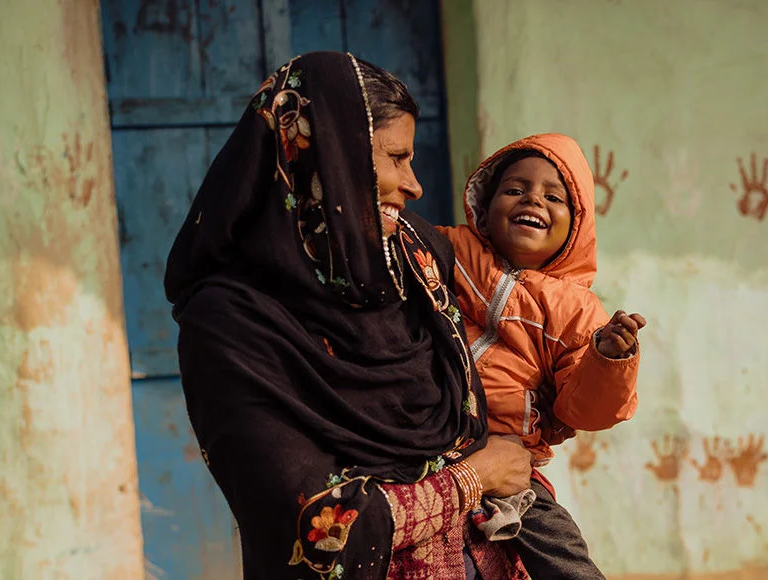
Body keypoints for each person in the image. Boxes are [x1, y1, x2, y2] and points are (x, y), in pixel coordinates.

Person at [164, 51, 536, 579]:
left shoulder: (414, 260)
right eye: (395, 158)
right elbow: (314, 530)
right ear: (331, 157)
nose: (415, 185)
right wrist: (475, 478)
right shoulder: (231, 324)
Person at [438, 134, 647, 578]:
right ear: (483, 209)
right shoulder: (451, 250)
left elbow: (581, 409)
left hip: (510, 458)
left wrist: (608, 359)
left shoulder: (577, 311)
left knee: (561, 550)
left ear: (575, 227)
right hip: (429, 437)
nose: (532, 199)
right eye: (515, 189)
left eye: (554, 197)